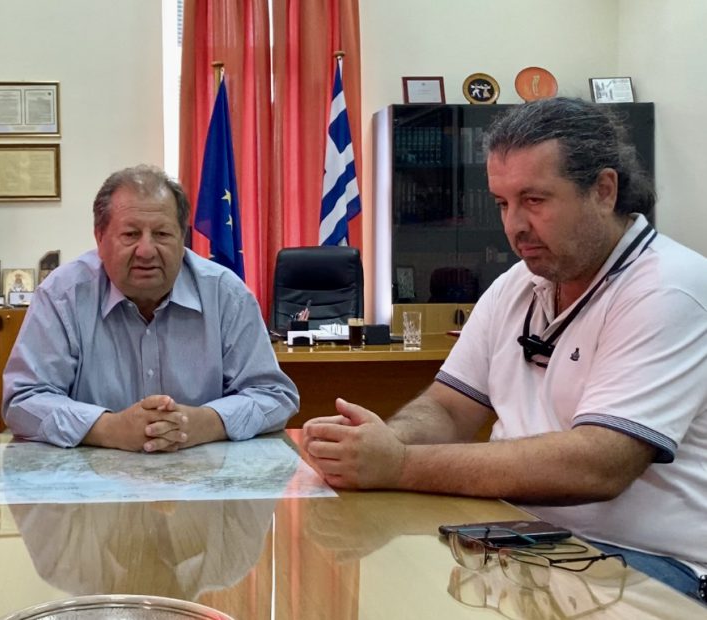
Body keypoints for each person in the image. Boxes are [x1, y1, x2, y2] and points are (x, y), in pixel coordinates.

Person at [301, 98, 707, 603]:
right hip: (517, 531)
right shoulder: (518, 282)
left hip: (649, 562)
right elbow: (449, 408)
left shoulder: (669, 288)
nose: (514, 225)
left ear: (604, 191)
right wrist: (381, 441)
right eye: (502, 203)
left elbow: (599, 464)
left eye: (534, 200)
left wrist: (399, 463)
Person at [3, 165, 298, 451]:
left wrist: (202, 424)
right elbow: (22, 401)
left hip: (203, 475)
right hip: (91, 478)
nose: (146, 251)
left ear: (182, 239)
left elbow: (274, 395)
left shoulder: (226, 294)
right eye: (131, 234)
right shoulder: (62, 296)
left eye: (162, 234)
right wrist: (109, 428)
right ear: (100, 239)